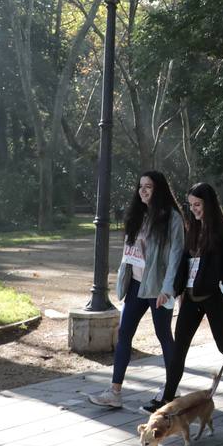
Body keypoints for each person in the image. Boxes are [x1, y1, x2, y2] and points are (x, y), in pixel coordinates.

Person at [154, 182, 223, 413]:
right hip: (191, 297)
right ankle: (167, 398)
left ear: (208, 204)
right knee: (179, 348)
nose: (194, 209)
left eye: (198, 204)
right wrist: (173, 289)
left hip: (214, 297)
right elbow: (184, 263)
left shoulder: (221, 230)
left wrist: (221, 282)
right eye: (191, 205)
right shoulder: (193, 229)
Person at [89, 171, 185, 408]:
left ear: (159, 189)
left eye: (148, 186)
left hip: (158, 287)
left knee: (164, 335)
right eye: (140, 186)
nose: (143, 190)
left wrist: (168, 288)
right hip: (136, 284)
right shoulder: (138, 215)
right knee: (124, 333)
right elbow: (129, 252)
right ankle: (114, 392)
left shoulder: (172, 218)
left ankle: (172, 389)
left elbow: (175, 256)